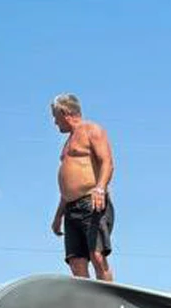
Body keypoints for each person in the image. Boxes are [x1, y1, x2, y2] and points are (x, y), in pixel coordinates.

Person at [49, 93, 116, 281]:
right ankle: (89, 306)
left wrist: (100, 187)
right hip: (71, 209)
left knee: (97, 256)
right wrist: (58, 215)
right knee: (76, 262)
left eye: (56, 117)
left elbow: (107, 162)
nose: (55, 123)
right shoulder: (67, 143)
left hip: (92, 202)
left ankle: (107, 302)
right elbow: (67, 186)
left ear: (65, 112)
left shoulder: (91, 130)